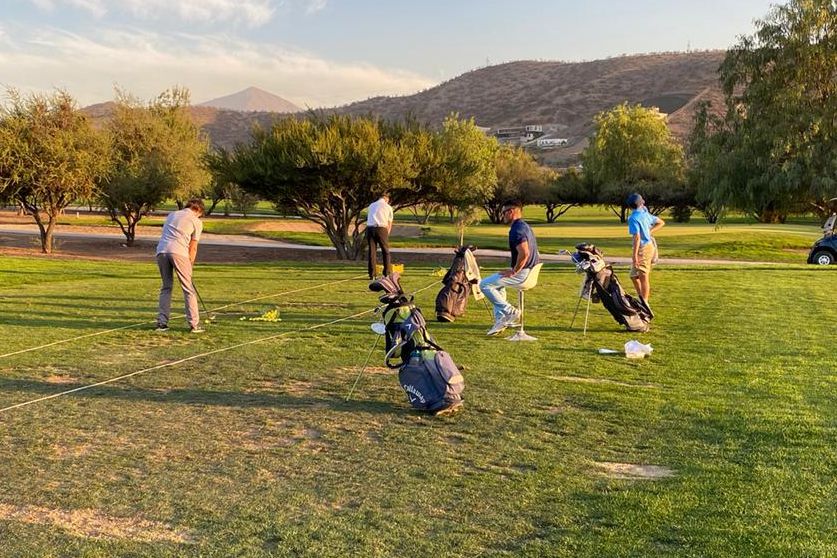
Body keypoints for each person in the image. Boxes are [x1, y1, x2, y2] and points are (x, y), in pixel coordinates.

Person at [479, 200, 540, 336]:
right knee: (497, 285)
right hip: (528, 271)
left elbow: (524, 253)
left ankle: (510, 311)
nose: (503, 215)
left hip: (524, 273)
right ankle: (501, 320)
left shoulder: (516, 229)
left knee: (484, 284)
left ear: (511, 212)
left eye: (504, 212)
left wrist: (514, 271)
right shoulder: (525, 226)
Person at [155, 198, 205, 333]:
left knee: (166, 287)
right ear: (198, 210)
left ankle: (162, 323)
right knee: (188, 288)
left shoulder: (172, 215)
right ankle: (194, 324)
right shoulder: (196, 221)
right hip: (179, 252)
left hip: (161, 251)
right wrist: (190, 264)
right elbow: (193, 247)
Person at [626, 193, 665, 302]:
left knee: (643, 275)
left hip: (644, 248)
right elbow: (661, 222)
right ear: (640, 203)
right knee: (633, 276)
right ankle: (641, 298)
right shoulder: (643, 214)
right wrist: (649, 231)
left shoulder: (634, 218)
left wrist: (634, 256)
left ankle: (645, 302)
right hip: (645, 247)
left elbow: (637, 238)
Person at [366, 193, 394, 279]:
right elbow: (389, 222)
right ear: (386, 199)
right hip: (381, 228)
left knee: (372, 252)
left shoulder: (371, 205)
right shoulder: (388, 207)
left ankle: (372, 274)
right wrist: (387, 233)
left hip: (370, 229)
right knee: (385, 251)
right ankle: (387, 272)